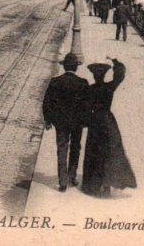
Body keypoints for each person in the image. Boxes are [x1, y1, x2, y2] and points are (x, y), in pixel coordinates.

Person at [82, 59, 136, 197]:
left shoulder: (90, 89)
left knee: (94, 151)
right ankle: (107, 184)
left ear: (94, 76)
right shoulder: (109, 87)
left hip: (95, 122)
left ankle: (94, 185)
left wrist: (86, 121)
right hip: (108, 120)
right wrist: (117, 63)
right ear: (104, 75)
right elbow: (120, 76)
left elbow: (85, 108)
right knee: (109, 151)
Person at [43, 53, 90, 192]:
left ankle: (62, 182)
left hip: (61, 123)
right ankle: (72, 176)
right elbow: (87, 105)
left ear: (64, 67)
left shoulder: (55, 81)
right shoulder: (83, 83)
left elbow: (47, 102)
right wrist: (86, 121)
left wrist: (48, 120)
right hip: (77, 123)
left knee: (62, 149)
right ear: (76, 68)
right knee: (75, 148)